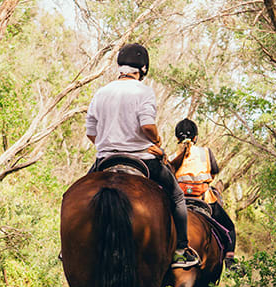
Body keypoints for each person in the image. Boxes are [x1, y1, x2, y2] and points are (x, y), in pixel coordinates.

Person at [84, 44, 199, 268]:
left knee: (74, 193)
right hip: (141, 158)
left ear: (120, 66)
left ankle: (69, 248)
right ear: (143, 68)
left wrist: (107, 145)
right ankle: (181, 249)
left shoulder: (102, 92)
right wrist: (156, 141)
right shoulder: (143, 91)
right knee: (176, 196)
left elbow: (91, 132)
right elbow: (147, 126)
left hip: (105, 158)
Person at [169, 118, 236, 268]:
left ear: (177, 138)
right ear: (195, 137)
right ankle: (230, 259)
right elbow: (214, 172)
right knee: (229, 227)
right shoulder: (206, 152)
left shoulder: (172, 157)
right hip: (203, 199)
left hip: (179, 200)